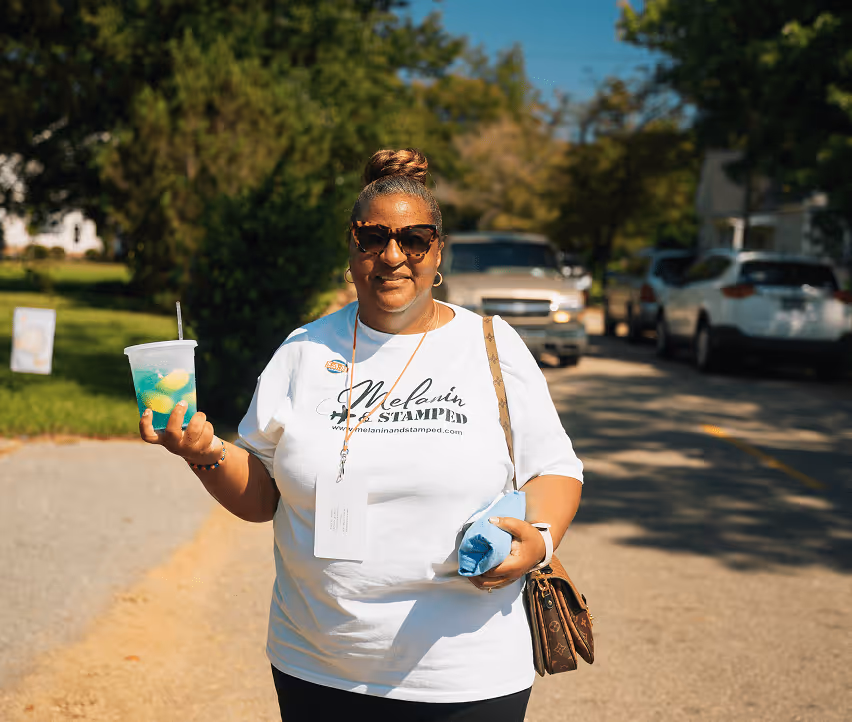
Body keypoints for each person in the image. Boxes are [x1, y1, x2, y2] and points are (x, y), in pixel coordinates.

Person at [139, 148, 584, 721]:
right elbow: (262, 497)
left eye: (414, 240)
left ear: (437, 252)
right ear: (351, 249)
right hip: (317, 665)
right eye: (372, 238)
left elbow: (554, 469)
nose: (392, 256)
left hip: (464, 676)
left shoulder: (491, 346)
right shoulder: (303, 350)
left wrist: (537, 542)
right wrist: (204, 453)